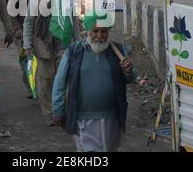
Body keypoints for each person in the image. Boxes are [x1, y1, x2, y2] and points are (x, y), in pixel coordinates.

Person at [52, 10, 137, 152]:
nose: (99, 36)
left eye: (103, 32)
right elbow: (59, 83)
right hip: (83, 119)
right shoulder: (73, 52)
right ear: (87, 31)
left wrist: (128, 70)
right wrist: (58, 110)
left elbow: (131, 78)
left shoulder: (120, 51)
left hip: (112, 117)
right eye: (95, 31)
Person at [23, 0, 79, 122]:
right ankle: (48, 111)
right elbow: (29, 21)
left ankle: (60, 110)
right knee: (45, 79)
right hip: (42, 44)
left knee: (63, 78)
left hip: (63, 42)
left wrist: (77, 41)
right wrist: (27, 44)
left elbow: (73, 19)